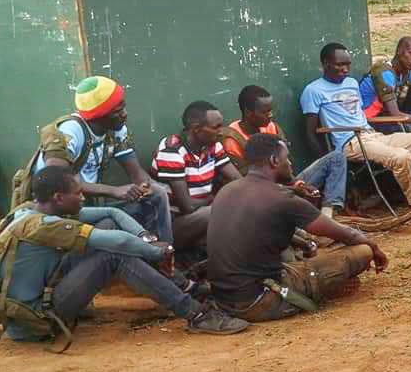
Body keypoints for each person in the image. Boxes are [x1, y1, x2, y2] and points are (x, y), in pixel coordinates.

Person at [0, 165, 248, 347]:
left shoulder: (31, 210)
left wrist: (147, 238)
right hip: (34, 321)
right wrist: (159, 252)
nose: (83, 198)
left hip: (33, 305)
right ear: (58, 197)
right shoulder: (43, 226)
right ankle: (196, 314)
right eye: (78, 194)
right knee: (115, 255)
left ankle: (185, 288)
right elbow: (119, 242)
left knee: (109, 232)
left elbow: (112, 216)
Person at [206, 133, 389, 322]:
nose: (290, 164)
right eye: (287, 158)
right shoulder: (282, 199)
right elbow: (347, 234)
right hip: (259, 300)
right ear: (274, 160)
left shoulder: (227, 190)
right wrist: (373, 248)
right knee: (362, 251)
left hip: (224, 299)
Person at [301, 42, 411, 223]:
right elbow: (311, 131)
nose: (345, 69)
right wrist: (328, 161)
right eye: (339, 65)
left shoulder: (351, 83)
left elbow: (359, 114)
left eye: (347, 65)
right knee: (401, 156)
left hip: (374, 135)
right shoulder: (313, 90)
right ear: (325, 63)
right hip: (352, 142)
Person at [24, 75, 172, 244]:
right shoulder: (71, 132)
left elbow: (137, 174)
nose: (125, 114)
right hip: (64, 210)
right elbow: (56, 184)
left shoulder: (115, 129)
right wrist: (113, 191)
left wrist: (155, 187)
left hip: (92, 205)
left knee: (157, 195)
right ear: (97, 116)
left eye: (123, 107)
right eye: (117, 111)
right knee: (108, 224)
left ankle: (165, 255)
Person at [223, 84, 349, 217]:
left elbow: (286, 166)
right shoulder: (232, 139)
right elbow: (248, 184)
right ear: (249, 113)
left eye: (270, 110)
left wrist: (298, 184)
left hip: (286, 185)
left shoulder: (272, 127)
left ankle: (327, 212)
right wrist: (291, 189)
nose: (270, 115)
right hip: (259, 197)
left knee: (336, 157)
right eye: (264, 112)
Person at [151, 101, 240, 252]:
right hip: (171, 224)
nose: (221, 132)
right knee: (217, 212)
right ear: (197, 129)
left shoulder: (213, 146)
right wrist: (212, 199)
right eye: (215, 127)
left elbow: (238, 180)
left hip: (201, 215)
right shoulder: (172, 151)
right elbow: (187, 206)